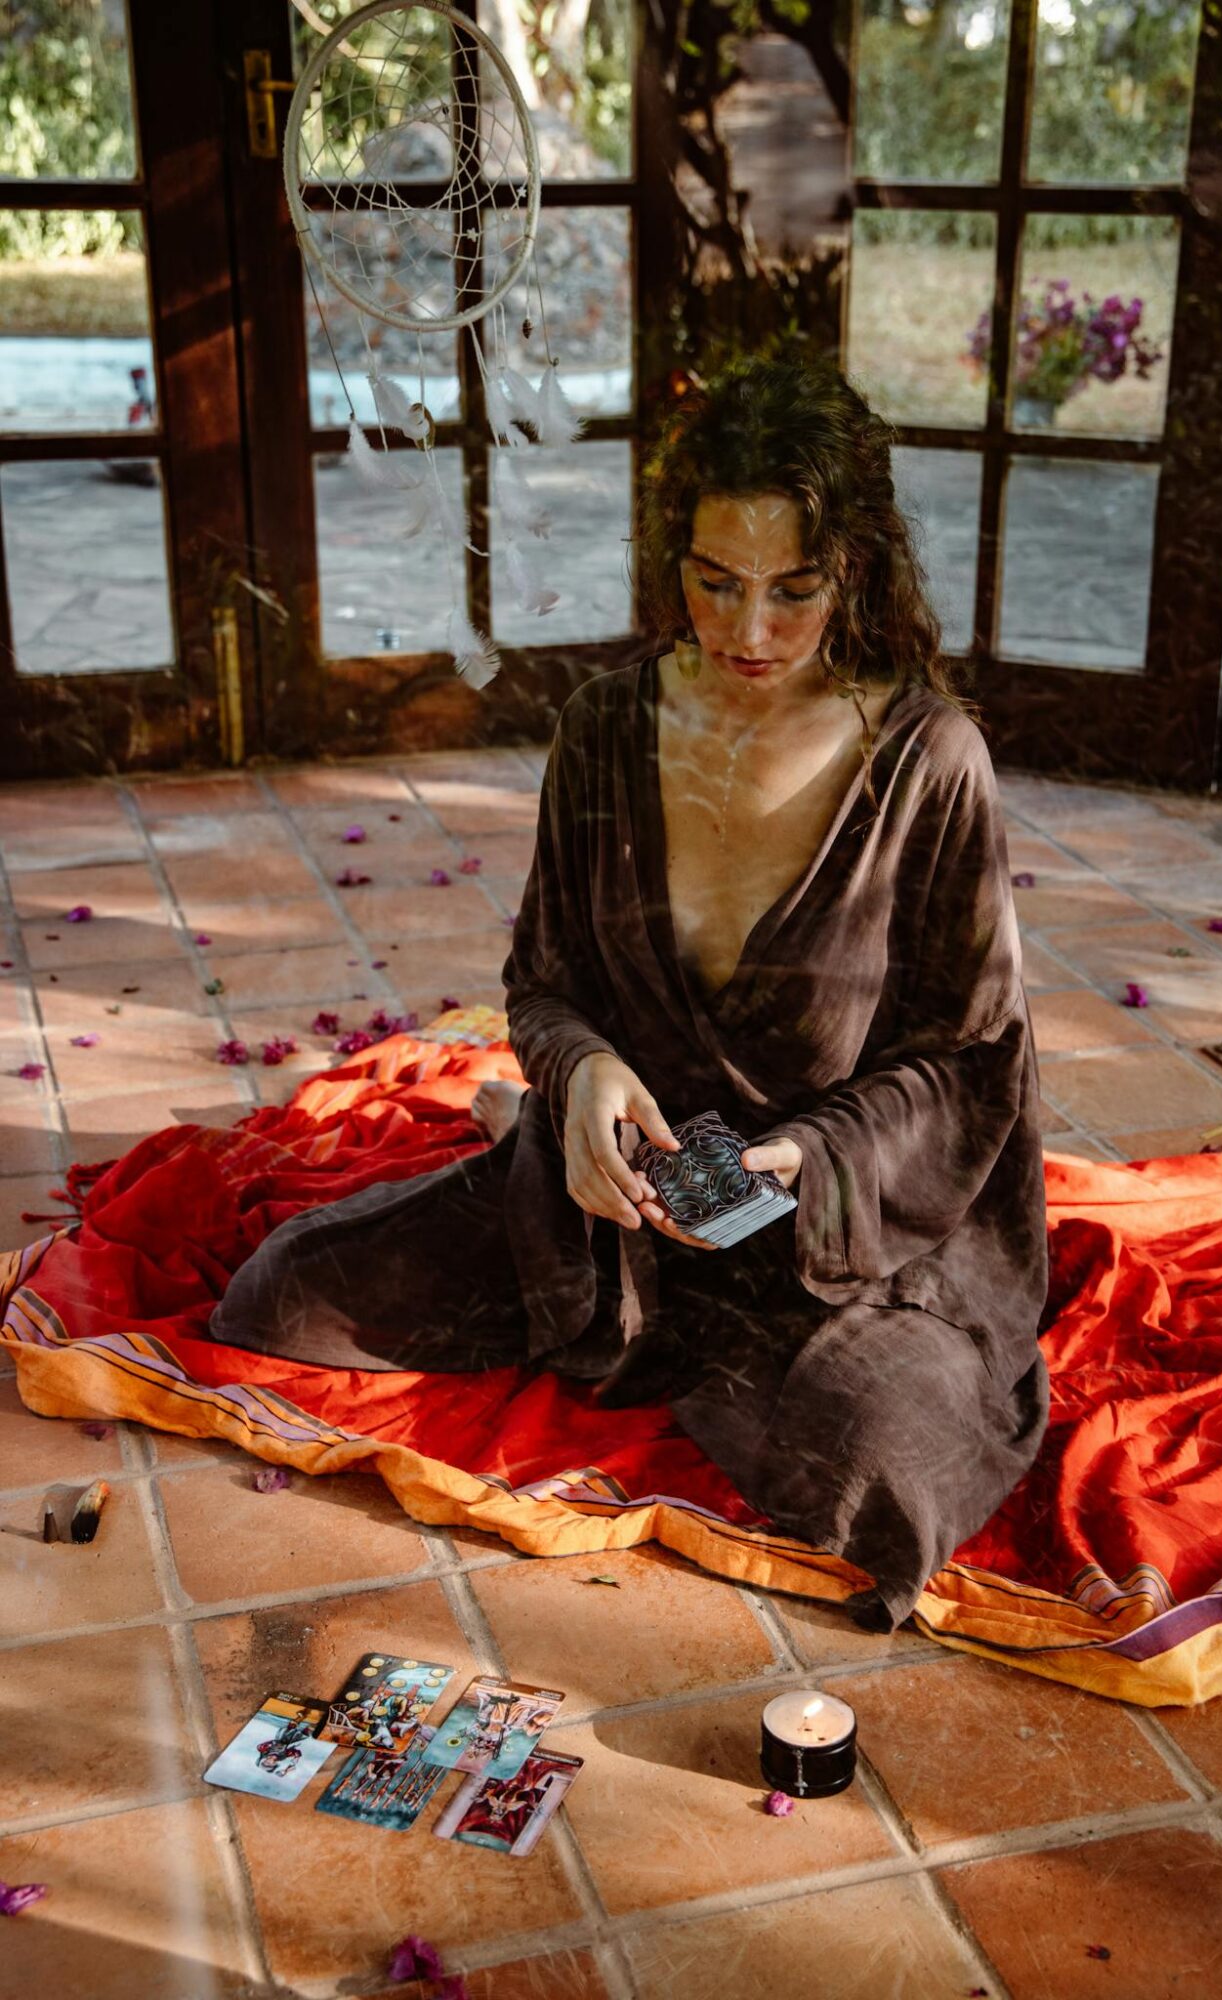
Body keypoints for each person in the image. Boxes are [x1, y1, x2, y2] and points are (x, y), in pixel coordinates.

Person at [207, 347, 1050, 1632]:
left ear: (855, 570)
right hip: (611, 1201)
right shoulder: (604, 729)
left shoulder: (928, 760)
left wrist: (803, 1158)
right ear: (671, 565)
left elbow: (966, 1059)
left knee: (874, 1462)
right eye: (714, 581)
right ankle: (607, 1253)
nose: (748, 632)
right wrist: (584, 1070)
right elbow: (544, 984)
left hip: (843, 1230)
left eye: (793, 589)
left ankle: (743, 1334)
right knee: (280, 1292)